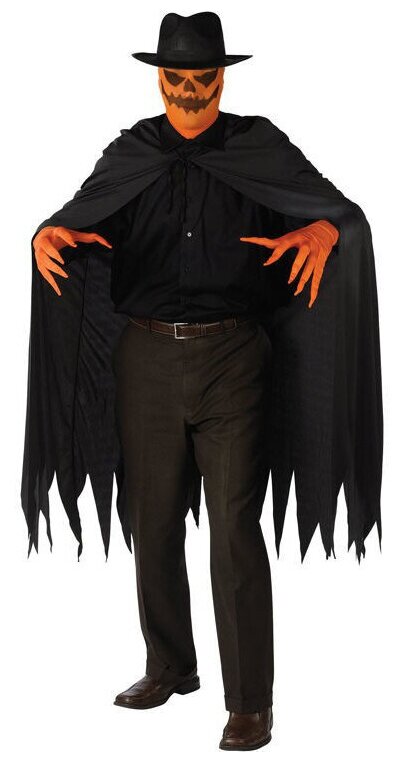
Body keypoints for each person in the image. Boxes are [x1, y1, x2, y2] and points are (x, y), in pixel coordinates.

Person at [21, 11, 383, 752]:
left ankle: (249, 702)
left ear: (223, 77)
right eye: (177, 78)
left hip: (234, 360)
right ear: (159, 78)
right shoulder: (131, 150)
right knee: (152, 521)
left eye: (202, 78)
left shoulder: (260, 146)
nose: (189, 93)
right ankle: (169, 666)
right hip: (146, 359)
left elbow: (343, 214)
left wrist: (326, 229)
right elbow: (76, 216)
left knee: (234, 530)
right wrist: (44, 233)